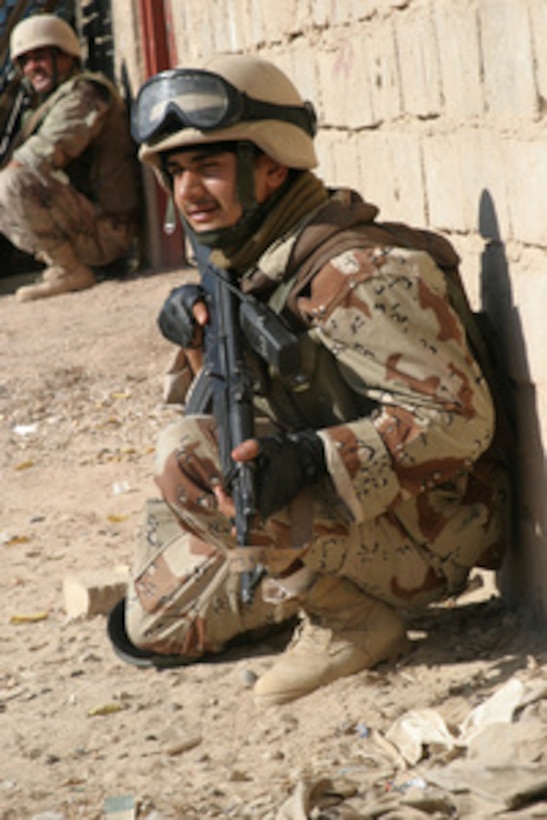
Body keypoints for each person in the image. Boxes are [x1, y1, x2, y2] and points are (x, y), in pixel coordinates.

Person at [108, 53, 512, 706]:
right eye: (176, 171)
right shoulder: (252, 254)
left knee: (185, 455)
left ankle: (350, 620)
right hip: (366, 504)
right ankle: (297, 579)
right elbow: (234, 392)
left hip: (436, 527)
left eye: (209, 166)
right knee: (149, 627)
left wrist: (306, 459)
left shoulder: (358, 273)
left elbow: (458, 423)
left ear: (271, 163)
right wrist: (197, 340)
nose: (187, 192)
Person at [0, 13, 140, 301]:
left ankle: (70, 269)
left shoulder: (85, 94)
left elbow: (44, 153)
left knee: (11, 182)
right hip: (88, 225)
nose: (32, 67)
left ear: (65, 56)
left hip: (111, 231)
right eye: (25, 61)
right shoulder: (51, 100)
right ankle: (64, 265)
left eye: (41, 57)